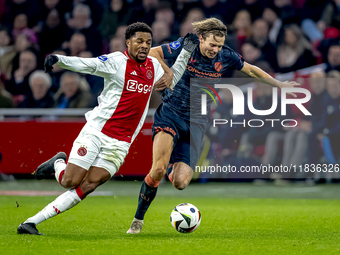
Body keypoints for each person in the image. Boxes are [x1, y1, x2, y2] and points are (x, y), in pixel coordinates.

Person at [17, 22, 199, 235]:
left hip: (121, 143)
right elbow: (89, 65)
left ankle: (30, 223)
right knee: (70, 181)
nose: (144, 46)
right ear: (128, 42)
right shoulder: (115, 61)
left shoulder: (153, 65)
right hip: (97, 131)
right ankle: (58, 162)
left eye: (148, 42)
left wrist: (186, 51)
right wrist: (59, 59)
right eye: (139, 41)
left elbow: (172, 79)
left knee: (89, 185)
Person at [126, 17, 299, 234]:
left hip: (196, 122)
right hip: (171, 113)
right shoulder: (186, 44)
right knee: (157, 170)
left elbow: (252, 70)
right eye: (211, 45)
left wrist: (279, 84)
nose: (215, 49)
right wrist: (167, 71)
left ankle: (172, 168)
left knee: (181, 183)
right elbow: (153, 53)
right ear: (201, 39)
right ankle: (138, 220)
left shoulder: (226, 55)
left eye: (219, 45)